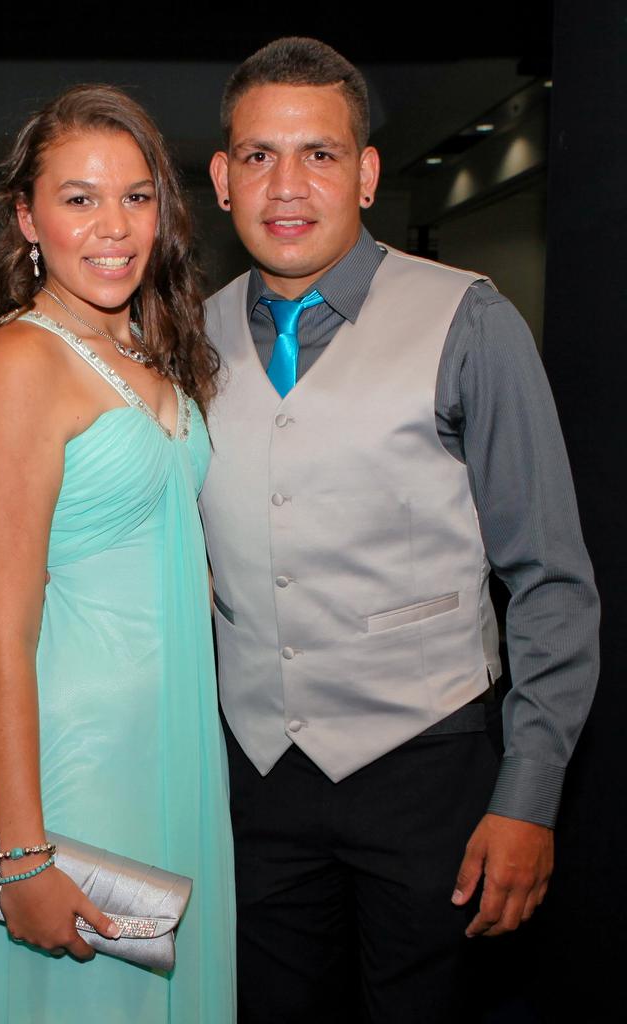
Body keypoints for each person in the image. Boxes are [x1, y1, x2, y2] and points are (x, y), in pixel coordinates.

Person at [199, 37, 599, 1023]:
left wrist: (529, 791)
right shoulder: (182, 334)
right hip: (251, 776)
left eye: (320, 154)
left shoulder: (470, 321)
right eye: (258, 155)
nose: (287, 185)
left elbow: (549, 576)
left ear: (367, 172)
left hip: (430, 765)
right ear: (220, 178)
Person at [0, 84, 235, 1023]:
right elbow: (0, 631)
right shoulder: (21, 360)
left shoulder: (154, 347)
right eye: (78, 198)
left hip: (179, 738)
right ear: (26, 217)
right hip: (80, 759)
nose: (113, 227)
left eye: (137, 196)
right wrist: (24, 855)